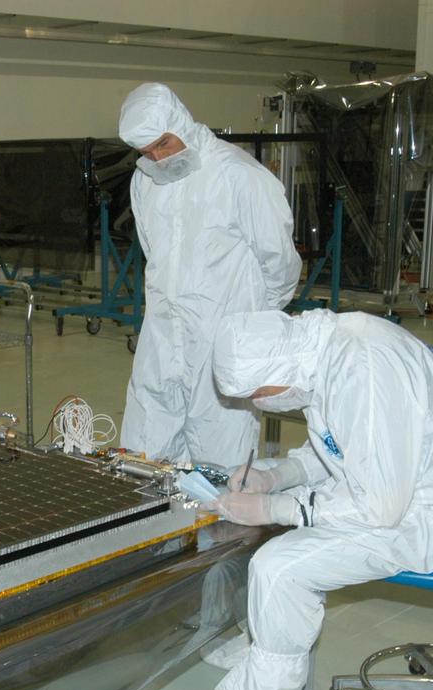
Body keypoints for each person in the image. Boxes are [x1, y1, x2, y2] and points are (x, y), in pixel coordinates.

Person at [180, 309, 433, 690]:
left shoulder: (362, 370)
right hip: (402, 488)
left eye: (256, 396)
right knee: (287, 537)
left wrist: (275, 510)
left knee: (280, 567)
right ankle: (273, 656)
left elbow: (380, 507)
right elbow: (337, 443)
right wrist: (277, 477)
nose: (257, 404)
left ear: (273, 375)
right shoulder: (327, 349)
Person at [117, 83, 301, 470]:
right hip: (163, 337)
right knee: (144, 452)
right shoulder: (144, 181)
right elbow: (155, 255)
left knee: (221, 457)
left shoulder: (239, 175)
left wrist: (252, 325)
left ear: (179, 121)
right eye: (145, 152)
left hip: (224, 338)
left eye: (163, 144)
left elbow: (280, 263)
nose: (157, 158)